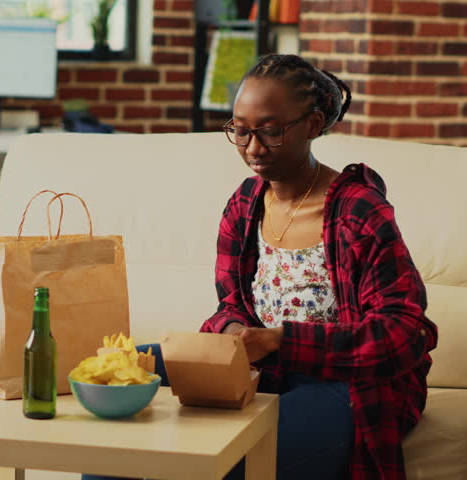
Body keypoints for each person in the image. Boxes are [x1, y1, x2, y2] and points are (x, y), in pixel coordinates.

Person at [83, 54, 437, 480]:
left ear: (312, 124)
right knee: (115, 399)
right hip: (262, 370)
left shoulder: (359, 212)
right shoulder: (245, 203)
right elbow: (230, 302)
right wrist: (233, 332)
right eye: (240, 130)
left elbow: (402, 333)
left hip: (345, 383)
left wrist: (278, 341)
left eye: (270, 131)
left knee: (230, 465)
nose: (252, 148)